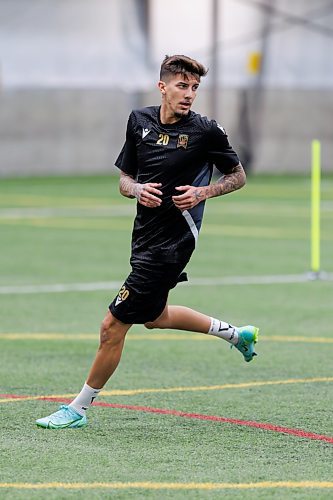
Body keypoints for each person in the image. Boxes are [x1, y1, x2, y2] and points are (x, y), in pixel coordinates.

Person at [36, 55, 259, 429]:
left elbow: (238, 176)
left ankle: (77, 409)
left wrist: (204, 192)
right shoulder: (138, 121)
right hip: (144, 237)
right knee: (155, 317)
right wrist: (137, 189)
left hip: (172, 245)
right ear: (163, 87)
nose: (189, 94)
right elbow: (124, 179)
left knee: (112, 325)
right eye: (182, 86)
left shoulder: (206, 131)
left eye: (194, 88)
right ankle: (238, 335)